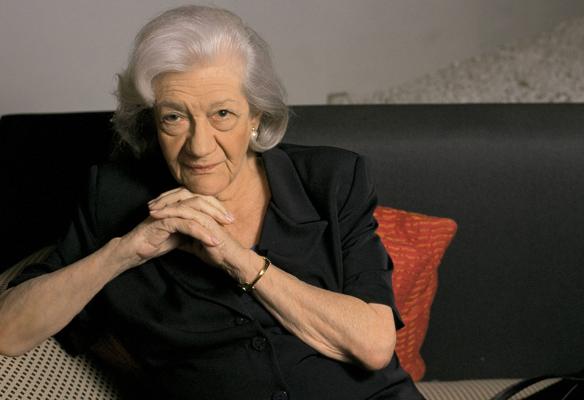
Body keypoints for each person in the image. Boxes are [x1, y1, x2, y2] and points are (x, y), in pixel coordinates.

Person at [0, 5, 423, 399]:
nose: (199, 147)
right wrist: (126, 251)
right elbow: (8, 330)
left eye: (222, 114)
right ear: (152, 122)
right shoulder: (112, 198)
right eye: (174, 117)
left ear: (255, 116)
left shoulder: (331, 179)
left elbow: (374, 345)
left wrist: (237, 260)